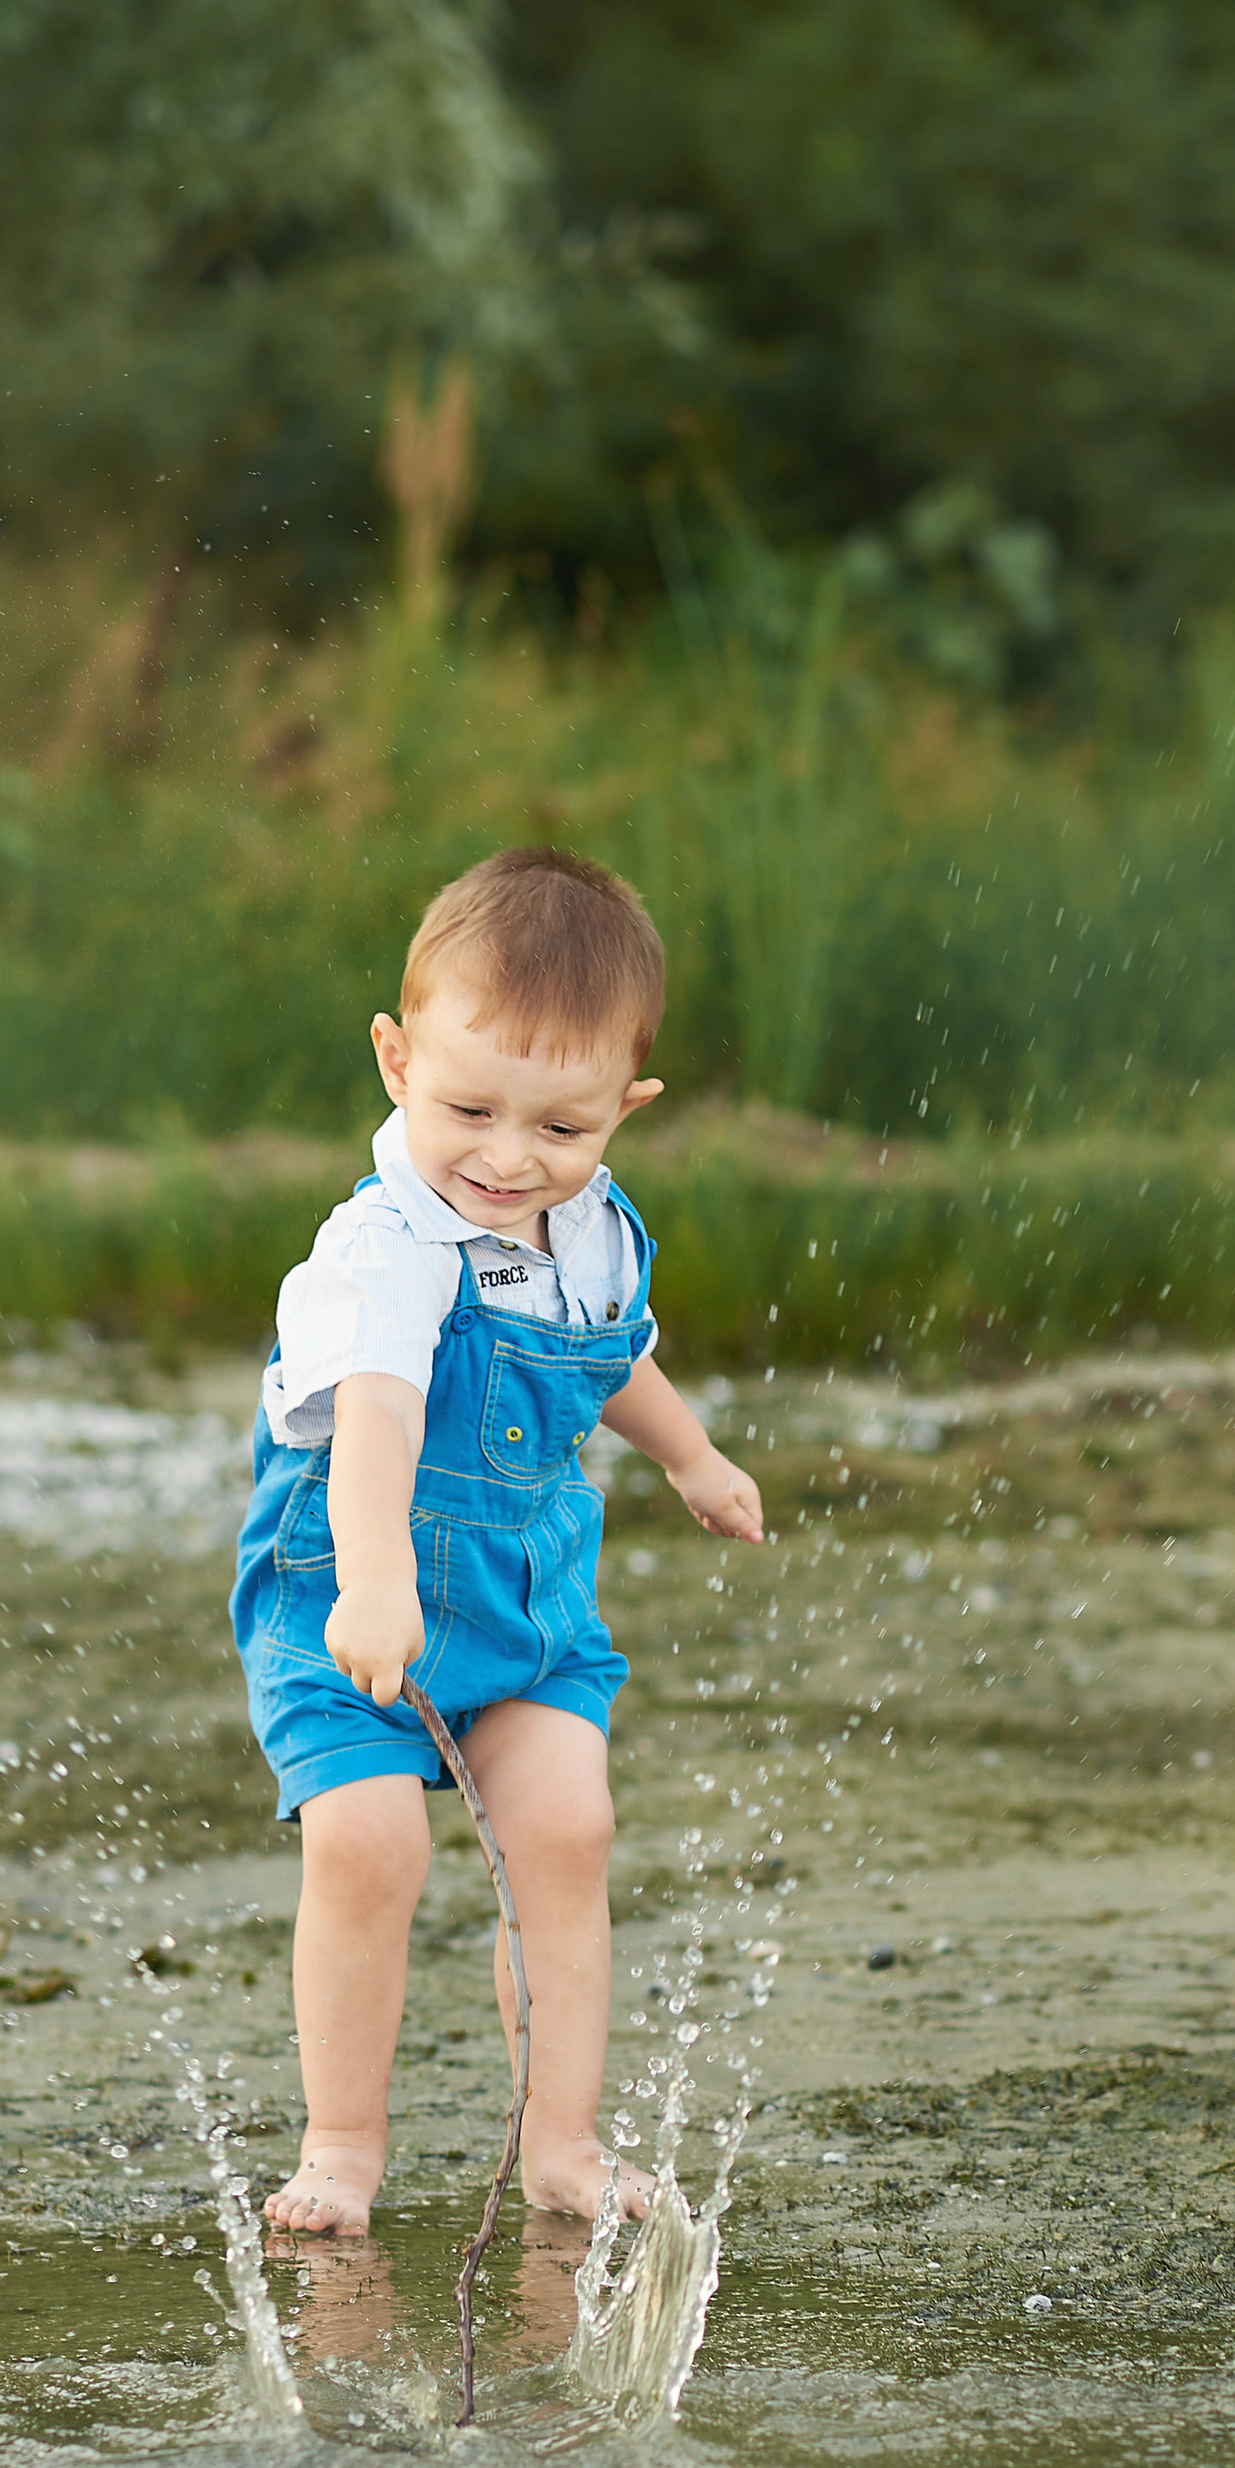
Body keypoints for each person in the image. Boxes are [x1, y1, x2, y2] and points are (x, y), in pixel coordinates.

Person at [231, 845, 763, 2243]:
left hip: (528, 1596)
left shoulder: (590, 1235)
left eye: (563, 1127)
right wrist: (376, 1583)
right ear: (396, 1060)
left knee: (569, 1828)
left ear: (625, 1109)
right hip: (347, 1585)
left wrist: (693, 1456)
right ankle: (343, 2144)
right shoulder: (386, 1246)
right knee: (369, 1842)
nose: (509, 1158)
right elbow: (380, 1425)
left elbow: (612, 1363)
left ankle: (562, 2146)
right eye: (469, 1106)